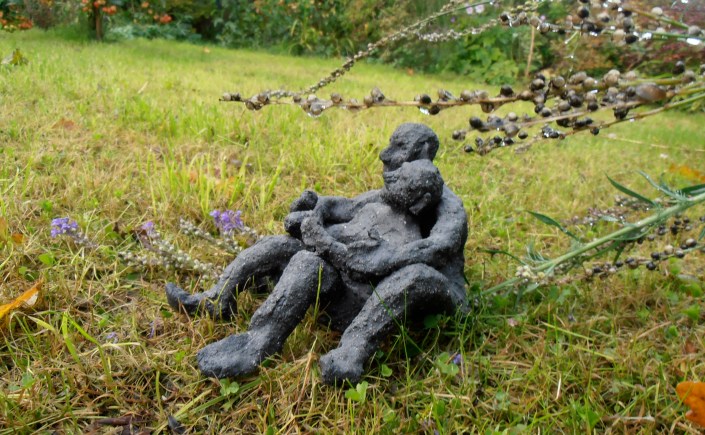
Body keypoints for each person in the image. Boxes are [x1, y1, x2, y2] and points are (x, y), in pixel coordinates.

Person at [166, 123, 468, 384]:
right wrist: (314, 211)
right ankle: (239, 319)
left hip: (419, 293)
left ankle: (352, 351)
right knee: (296, 255)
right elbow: (344, 209)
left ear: (422, 153)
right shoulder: (392, 193)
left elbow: (433, 248)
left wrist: (348, 249)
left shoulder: (439, 201)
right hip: (357, 285)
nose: (384, 155)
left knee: (415, 276)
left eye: (398, 147)